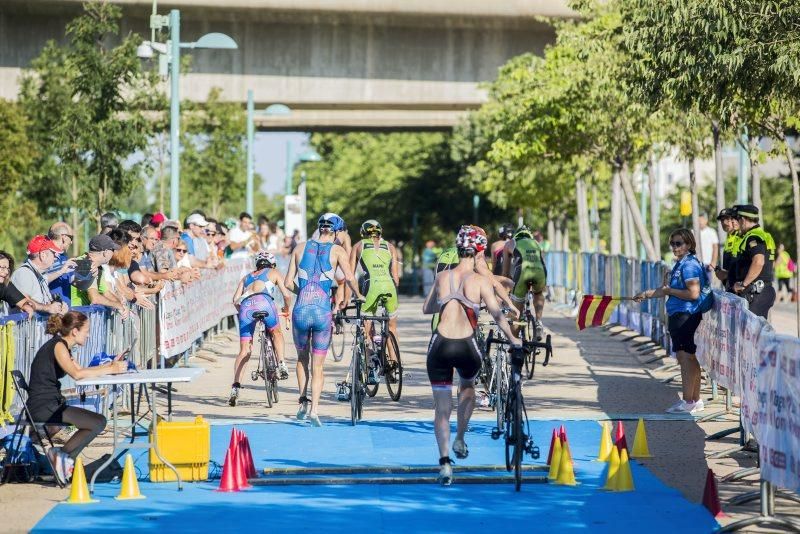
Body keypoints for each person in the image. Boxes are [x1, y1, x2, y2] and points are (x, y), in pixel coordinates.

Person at [422, 225, 521, 485]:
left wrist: (447, 301)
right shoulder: (479, 280)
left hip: (439, 345)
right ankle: (460, 438)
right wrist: (513, 339)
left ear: (457, 249)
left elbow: (427, 308)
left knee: (441, 409)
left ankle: (444, 463)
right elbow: (498, 316)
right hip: (466, 345)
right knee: (467, 387)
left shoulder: (443, 277)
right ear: (479, 251)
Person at [28, 311, 127, 484]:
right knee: (98, 422)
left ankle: (62, 457)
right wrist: (111, 369)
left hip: (51, 403)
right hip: (44, 406)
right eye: (86, 330)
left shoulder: (62, 346)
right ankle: (61, 457)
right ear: (75, 331)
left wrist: (110, 365)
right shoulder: (58, 346)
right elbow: (77, 374)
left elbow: (81, 370)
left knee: (97, 422)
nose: (88, 335)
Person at [284, 213, 363, 427]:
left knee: (302, 359)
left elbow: (287, 282)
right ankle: (315, 410)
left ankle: (302, 401)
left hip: (301, 310)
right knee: (318, 366)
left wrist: (304, 292)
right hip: (321, 313)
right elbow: (349, 277)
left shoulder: (299, 248)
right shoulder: (337, 250)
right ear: (336, 231)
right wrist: (359, 295)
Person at [634, 228, 707, 414]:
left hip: (686, 314)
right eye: (672, 243)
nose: (674, 247)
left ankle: (688, 401)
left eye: (679, 243)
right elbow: (666, 289)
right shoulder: (680, 263)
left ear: (689, 244)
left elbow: (693, 293)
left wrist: (670, 292)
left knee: (685, 358)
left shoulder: (689, 265)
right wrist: (646, 294)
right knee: (689, 357)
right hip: (680, 314)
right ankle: (694, 400)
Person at [228, 251, 293, 406]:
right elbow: (287, 295)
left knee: (245, 350)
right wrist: (286, 308)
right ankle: (282, 363)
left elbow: (235, 301)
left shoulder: (246, 278)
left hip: (246, 308)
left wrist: (244, 313)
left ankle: (235, 387)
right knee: (276, 332)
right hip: (265, 303)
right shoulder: (273, 272)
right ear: (272, 264)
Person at [350, 220, 401, 382]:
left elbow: (350, 275)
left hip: (371, 285)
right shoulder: (391, 247)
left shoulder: (358, 246)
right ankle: (395, 365)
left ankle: (371, 361)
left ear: (363, 233)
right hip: (389, 286)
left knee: (366, 324)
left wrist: (355, 294)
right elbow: (396, 277)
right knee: (392, 327)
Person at [502, 226, 547, 340]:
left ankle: (515, 344)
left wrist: (506, 288)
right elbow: (542, 262)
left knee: (516, 313)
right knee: (538, 293)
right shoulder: (536, 243)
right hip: (540, 272)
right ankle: (538, 322)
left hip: (522, 272)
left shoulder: (510, 243)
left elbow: (505, 273)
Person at [731, 204, 776, 319]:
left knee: (752, 333)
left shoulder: (753, 237)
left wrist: (743, 284)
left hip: (756, 292)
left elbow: (759, 262)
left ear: (743, 220)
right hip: (761, 291)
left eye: (738, 220)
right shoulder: (762, 235)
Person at [11, 235, 69, 314]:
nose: (56, 257)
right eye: (54, 253)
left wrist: (58, 308)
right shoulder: (23, 273)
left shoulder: (36, 273)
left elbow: (46, 279)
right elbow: (23, 301)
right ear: (43, 255)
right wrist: (48, 308)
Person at [45, 222, 77, 306]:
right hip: (48, 315)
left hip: (65, 312)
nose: (71, 243)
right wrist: (61, 271)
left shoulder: (65, 258)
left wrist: (87, 274)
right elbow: (38, 280)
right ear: (64, 238)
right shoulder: (43, 255)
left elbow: (74, 282)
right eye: (71, 238)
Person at [0, 251, 35, 317]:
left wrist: (27, 305)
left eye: (8, 269)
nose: (6, 272)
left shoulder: (4, 284)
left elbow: (23, 302)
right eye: (3, 267)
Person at [714, 208, 741, 292]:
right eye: (722, 220)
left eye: (727, 219)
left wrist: (726, 274)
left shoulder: (740, 236)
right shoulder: (729, 237)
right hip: (729, 284)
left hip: (739, 285)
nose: (724, 223)